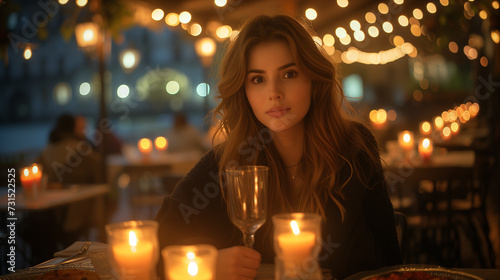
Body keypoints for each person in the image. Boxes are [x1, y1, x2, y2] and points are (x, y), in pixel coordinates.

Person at [156, 15, 401, 280]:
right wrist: (210, 264)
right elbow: (157, 240)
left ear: (313, 78)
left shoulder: (354, 145)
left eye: (289, 74)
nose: (274, 92)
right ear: (244, 90)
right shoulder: (227, 163)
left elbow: (391, 261)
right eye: (258, 80)